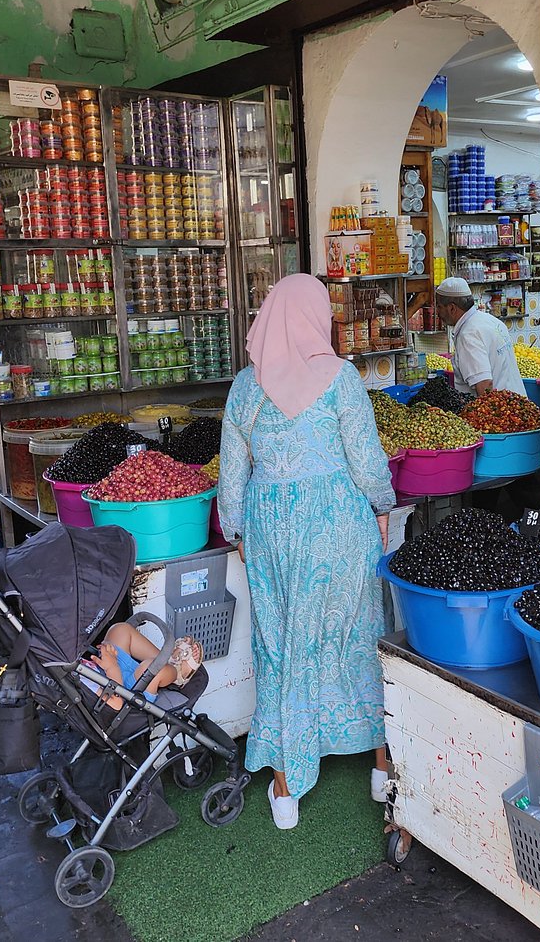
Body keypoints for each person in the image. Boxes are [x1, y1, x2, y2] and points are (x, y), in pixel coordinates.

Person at [217, 273, 395, 830]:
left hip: (271, 528)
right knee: (356, 635)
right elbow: (366, 460)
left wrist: (237, 531)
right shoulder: (341, 380)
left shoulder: (246, 388)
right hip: (339, 522)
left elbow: (231, 474)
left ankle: (285, 789)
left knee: (282, 641)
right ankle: (381, 769)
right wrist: (383, 505)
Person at [434, 277, 526, 398]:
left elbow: (484, 384)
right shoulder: (490, 320)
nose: (437, 312)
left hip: (500, 413)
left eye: (439, 307)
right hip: (518, 405)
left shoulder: (468, 335)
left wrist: (485, 416)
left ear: (452, 308)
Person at [81, 628, 203, 708]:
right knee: (152, 667)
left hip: (106, 672)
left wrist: (106, 653)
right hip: (128, 693)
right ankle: (177, 672)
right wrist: (111, 666)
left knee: (119, 631)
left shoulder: (65, 664)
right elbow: (116, 704)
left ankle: (166, 659)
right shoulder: (76, 681)